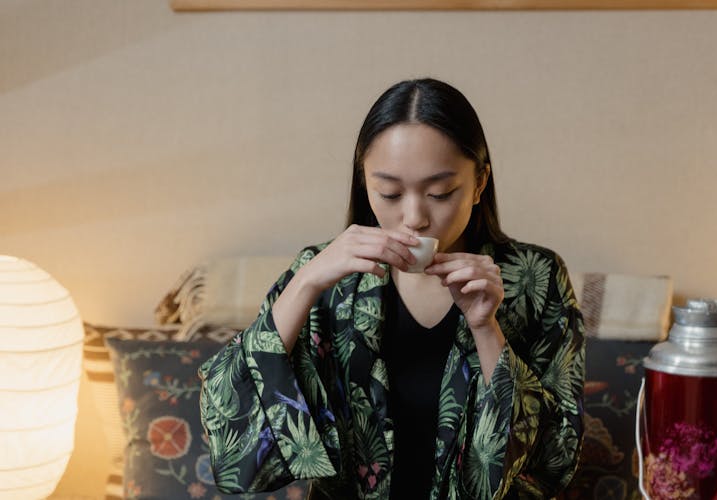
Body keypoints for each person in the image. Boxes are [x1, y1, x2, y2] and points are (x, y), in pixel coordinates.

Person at [199, 78, 585, 500]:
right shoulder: (326, 276)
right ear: (365, 184)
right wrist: (306, 280)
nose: (414, 217)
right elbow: (231, 441)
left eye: (440, 192)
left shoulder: (537, 278)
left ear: (479, 184)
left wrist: (486, 328)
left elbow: (556, 460)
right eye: (390, 192)